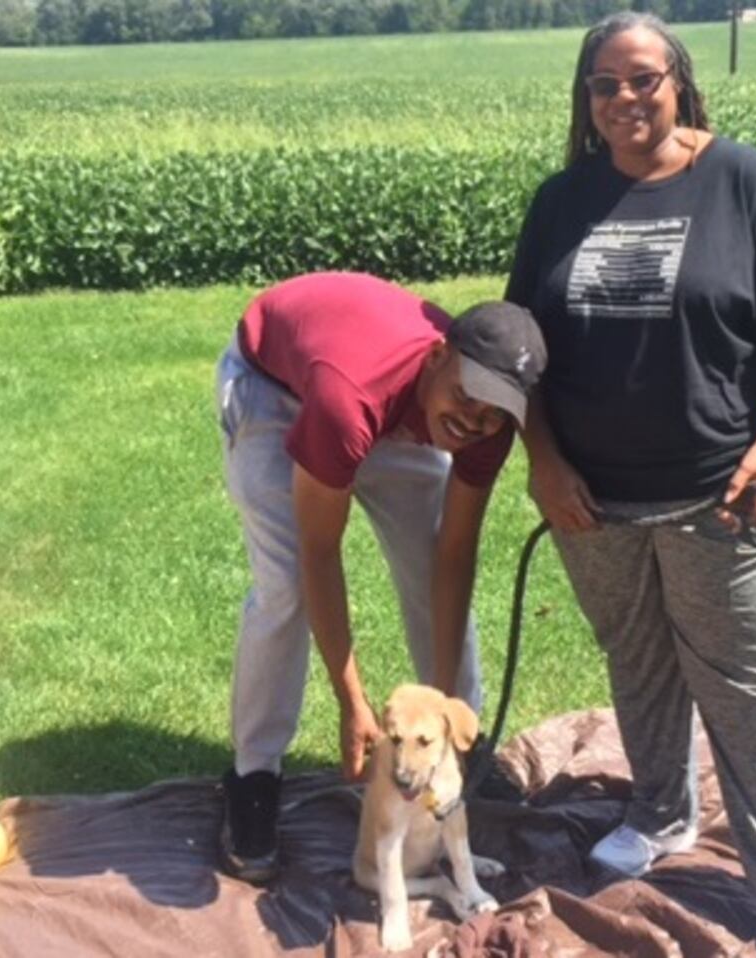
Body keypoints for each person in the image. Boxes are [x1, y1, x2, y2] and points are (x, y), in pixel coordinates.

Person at [505, 14, 756, 958]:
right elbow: (524, 352)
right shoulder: (561, 201)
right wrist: (545, 462)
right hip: (592, 500)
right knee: (639, 661)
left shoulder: (741, 181)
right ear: (586, 98)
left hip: (724, 498)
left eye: (644, 80)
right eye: (604, 85)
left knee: (748, 690)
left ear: (680, 83)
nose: (625, 100)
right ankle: (661, 814)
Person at [215, 271, 546, 884]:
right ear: (439, 355)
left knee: (425, 564)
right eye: (468, 396)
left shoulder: (485, 420)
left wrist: (442, 716)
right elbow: (321, 552)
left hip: (396, 404)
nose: (475, 420)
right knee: (286, 582)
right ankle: (253, 773)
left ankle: (460, 754)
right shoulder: (349, 400)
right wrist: (353, 703)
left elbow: (452, 559)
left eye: (495, 411)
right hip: (275, 382)